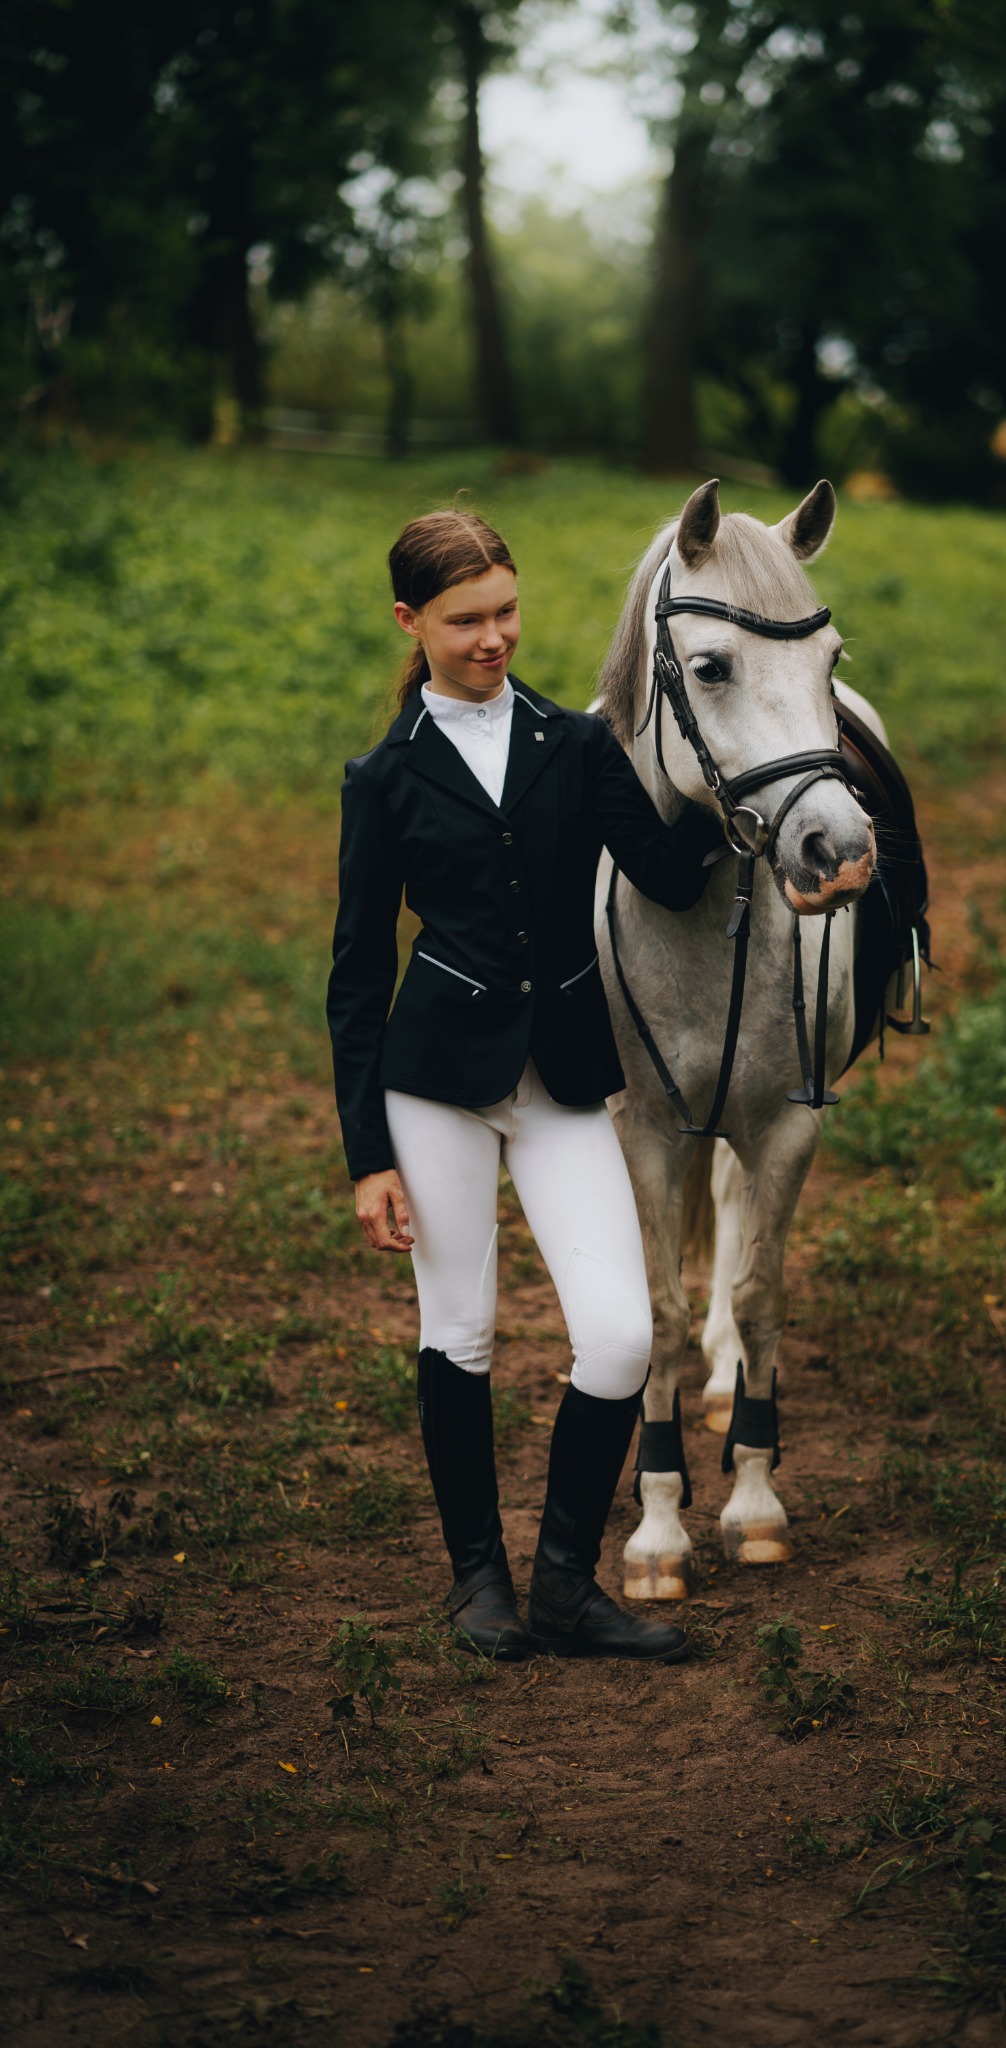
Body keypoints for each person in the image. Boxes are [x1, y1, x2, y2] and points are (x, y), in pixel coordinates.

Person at [326, 507, 721, 1663]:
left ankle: (564, 1587)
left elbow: (661, 871)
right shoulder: (386, 777)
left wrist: (741, 803)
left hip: (559, 1078)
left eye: (506, 609)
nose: (494, 636)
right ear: (412, 621)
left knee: (618, 1338)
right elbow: (355, 977)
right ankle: (478, 1581)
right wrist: (367, 1154)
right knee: (459, 1331)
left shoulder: (574, 744)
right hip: (437, 1085)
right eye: (466, 620)